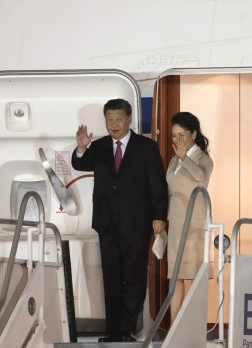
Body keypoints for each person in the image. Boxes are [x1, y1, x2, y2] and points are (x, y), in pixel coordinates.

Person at [72, 98, 168, 342]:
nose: (114, 124)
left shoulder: (146, 147)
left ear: (129, 119)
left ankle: (126, 329)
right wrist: (81, 147)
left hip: (137, 224)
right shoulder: (100, 146)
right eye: (109, 119)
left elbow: (157, 184)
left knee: (134, 277)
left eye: (118, 119)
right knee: (112, 278)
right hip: (107, 223)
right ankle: (114, 332)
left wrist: (159, 216)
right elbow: (80, 163)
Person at [166, 111, 213, 322]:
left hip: (195, 222)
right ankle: (175, 326)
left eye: (182, 134)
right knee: (175, 276)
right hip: (176, 222)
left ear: (193, 134)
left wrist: (184, 157)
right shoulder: (174, 160)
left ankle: (193, 325)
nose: (178, 140)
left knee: (194, 275)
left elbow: (200, 176)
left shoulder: (203, 158)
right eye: (174, 135)